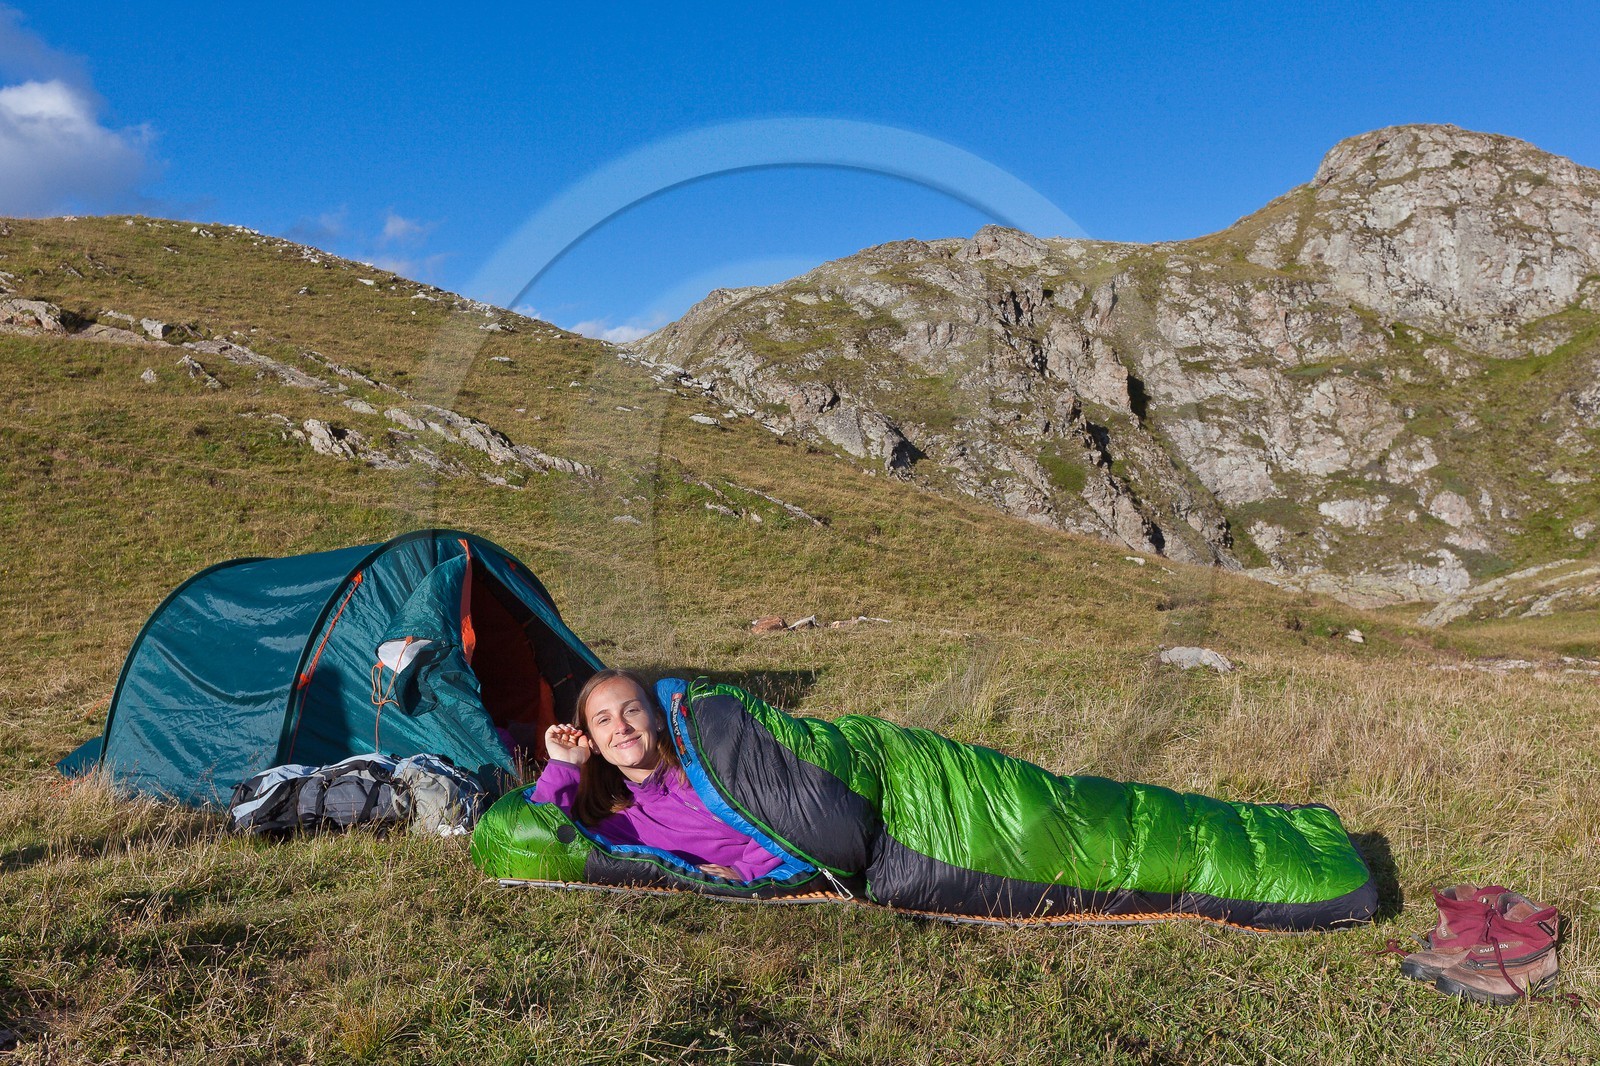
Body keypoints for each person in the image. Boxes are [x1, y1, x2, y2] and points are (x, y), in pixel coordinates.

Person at [529, 668, 784, 882]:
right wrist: (565, 763)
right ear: (593, 743)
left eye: (631, 711)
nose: (621, 727)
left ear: (659, 719)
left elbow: (784, 807)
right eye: (603, 720)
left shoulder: (705, 765)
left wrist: (747, 870)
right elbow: (538, 840)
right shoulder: (617, 821)